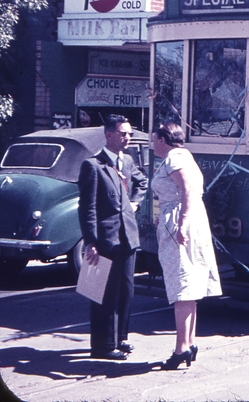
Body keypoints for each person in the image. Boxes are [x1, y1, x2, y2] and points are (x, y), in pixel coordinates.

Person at [152, 122, 222, 370]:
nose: (152, 143)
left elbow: (188, 190)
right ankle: (189, 343)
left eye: (154, 138)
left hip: (182, 223)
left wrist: (180, 222)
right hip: (187, 219)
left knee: (181, 283)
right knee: (188, 284)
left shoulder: (174, 158)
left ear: (162, 139)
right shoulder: (183, 156)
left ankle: (181, 347)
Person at [77, 115, 148, 360]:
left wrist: (135, 204)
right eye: (122, 133)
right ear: (109, 135)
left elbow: (142, 182)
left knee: (125, 290)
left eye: (129, 133)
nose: (127, 137)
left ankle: (120, 338)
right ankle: (103, 346)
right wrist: (91, 242)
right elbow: (87, 208)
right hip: (105, 239)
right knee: (102, 292)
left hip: (127, 237)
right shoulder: (93, 165)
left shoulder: (127, 161)